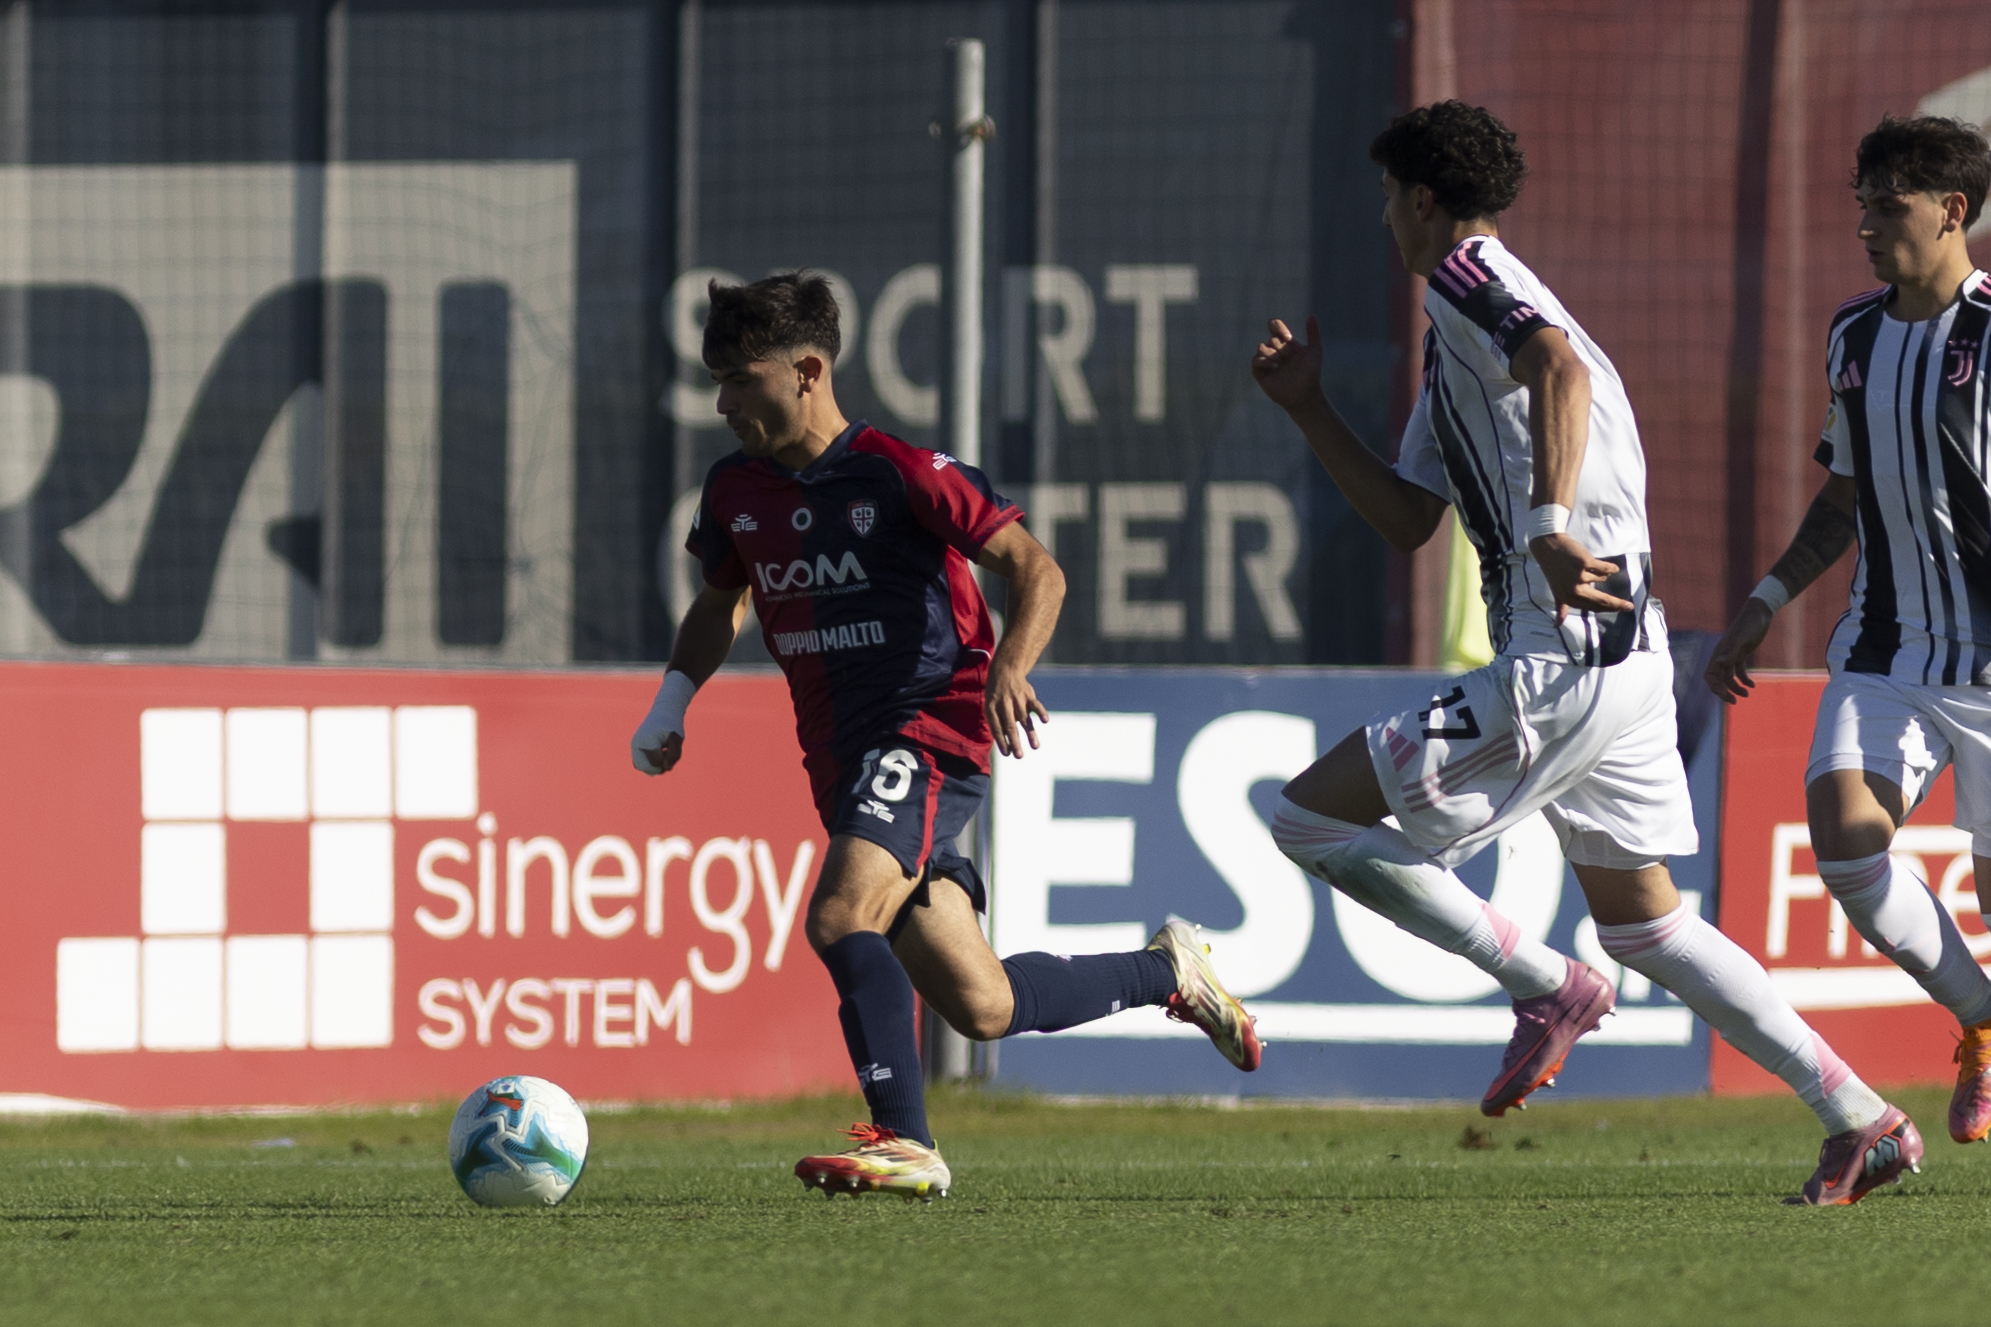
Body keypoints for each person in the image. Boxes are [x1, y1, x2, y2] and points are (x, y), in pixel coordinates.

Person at [1253, 101, 1920, 1204]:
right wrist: (1310, 410)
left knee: (1305, 817)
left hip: (1559, 655)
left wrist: (1548, 525)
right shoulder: (1456, 339)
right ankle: (1858, 1114)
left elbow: (1555, 369)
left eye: (1386, 199)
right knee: (1650, 924)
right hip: (1623, 653)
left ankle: (1543, 981)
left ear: (1423, 199)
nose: (1383, 220)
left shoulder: (1469, 277)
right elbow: (1409, 519)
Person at [629, 272, 1259, 1202]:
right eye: (716, 380)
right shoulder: (734, 491)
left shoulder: (901, 471)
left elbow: (1034, 568)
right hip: (842, 759)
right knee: (982, 1004)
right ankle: (1166, 970)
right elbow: (719, 604)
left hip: (927, 730)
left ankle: (905, 1140)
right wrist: (672, 700)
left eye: (741, 379)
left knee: (841, 916)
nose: (723, 403)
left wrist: (1010, 665)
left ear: (807, 370)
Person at [1707, 114, 1991, 1149]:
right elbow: (1842, 497)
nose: (1866, 227)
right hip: (1885, 651)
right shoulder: (1852, 335)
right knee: (1843, 844)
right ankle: (1978, 1019)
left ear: (1950, 211)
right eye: (1860, 205)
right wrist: (1764, 600)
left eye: (1888, 206)